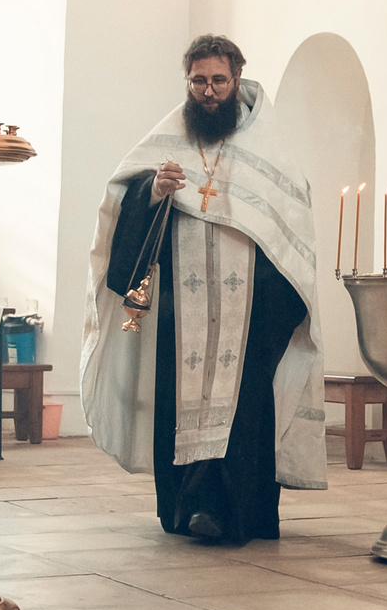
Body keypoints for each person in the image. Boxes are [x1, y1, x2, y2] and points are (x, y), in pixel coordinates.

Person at [80, 36, 326, 542]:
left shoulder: (267, 146)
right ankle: (188, 508)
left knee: (245, 407)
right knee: (180, 403)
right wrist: (153, 190)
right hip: (182, 308)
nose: (208, 91)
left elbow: (292, 221)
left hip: (250, 312)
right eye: (199, 81)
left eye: (218, 80)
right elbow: (122, 195)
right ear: (187, 81)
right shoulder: (167, 139)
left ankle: (241, 512)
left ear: (237, 79)